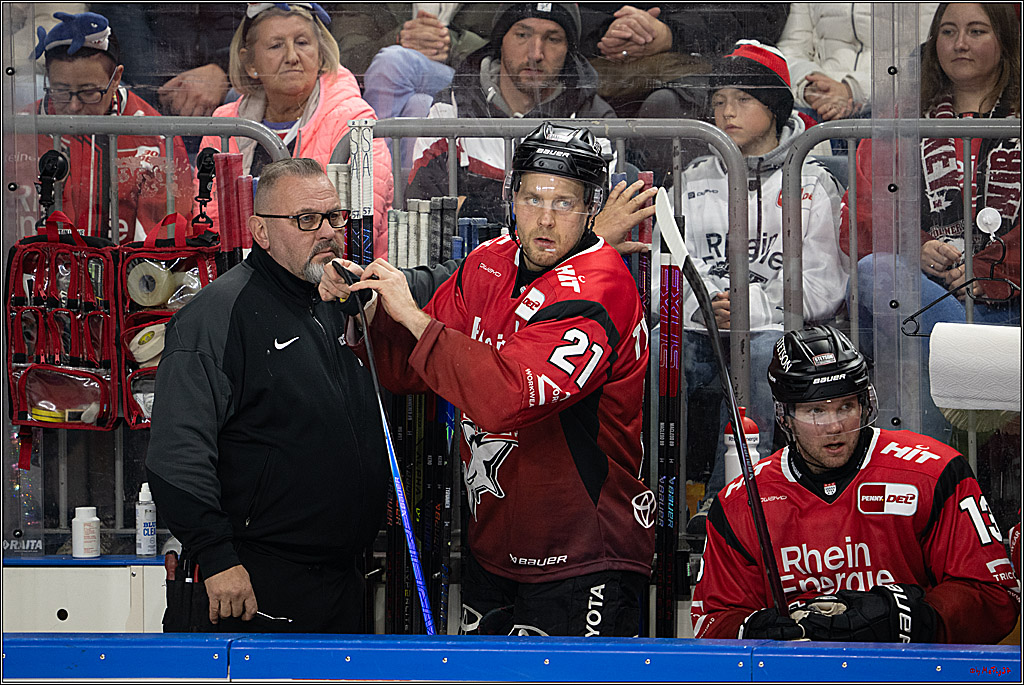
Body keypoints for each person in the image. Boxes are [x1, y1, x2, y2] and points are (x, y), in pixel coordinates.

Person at [321, 123, 655, 637]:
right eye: (533, 197)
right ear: (511, 197)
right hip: (494, 545)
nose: (545, 218)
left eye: (564, 203)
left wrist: (414, 318)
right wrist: (368, 312)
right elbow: (419, 363)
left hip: (584, 553)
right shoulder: (489, 262)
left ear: (591, 209)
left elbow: (507, 398)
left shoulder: (600, 287)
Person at [146, 158, 390, 633]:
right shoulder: (217, 316)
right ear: (260, 231)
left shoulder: (330, 301)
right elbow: (176, 457)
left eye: (333, 217)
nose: (326, 232)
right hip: (253, 582)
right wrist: (217, 558)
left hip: (337, 581)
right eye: (305, 220)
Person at [691, 325, 1020, 643]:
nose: (834, 426)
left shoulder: (934, 473)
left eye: (845, 407)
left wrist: (903, 616)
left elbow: (994, 598)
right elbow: (713, 621)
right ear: (784, 416)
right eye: (815, 410)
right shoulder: (742, 502)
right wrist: (758, 630)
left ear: (864, 404)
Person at [674, 41, 847, 536]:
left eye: (743, 99)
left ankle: (735, 499)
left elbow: (825, 287)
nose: (726, 111)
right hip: (702, 327)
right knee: (654, 358)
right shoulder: (690, 180)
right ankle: (652, 503)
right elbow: (673, 269)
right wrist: (707, 305)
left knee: (763, 353)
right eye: (720, 99)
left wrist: (751, 306)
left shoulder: (812, 182)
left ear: (774, 107)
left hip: (778, 333)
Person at [839, 2, 1021, 443]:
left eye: (977, 31)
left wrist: (992, 269)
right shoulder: (904, 114)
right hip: (927, 295)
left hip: (1012, 304)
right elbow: (865, 209)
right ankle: (946, 458)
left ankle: (925, 480)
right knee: (878, 273)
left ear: (1006, 38)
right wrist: (913, 248)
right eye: (947, 31)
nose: (959, 44)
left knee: (921, 351)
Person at [198, 2, 394, 259]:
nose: (292, 56)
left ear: (320, 54)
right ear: (250, 63)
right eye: (276, 45)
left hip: (330, 280)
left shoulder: (354, 119)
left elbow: (357, 229)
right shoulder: (224, 124)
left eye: (302, 43)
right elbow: (209, 219)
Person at [406, 2, 615, 224]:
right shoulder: (451, 108)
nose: (535, 53)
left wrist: (470, 207)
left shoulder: (593, 120)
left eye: (553, 39)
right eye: (522, 35)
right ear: (501, 41)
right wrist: (550, 209)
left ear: (568, 50)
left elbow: (598, 221)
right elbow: (424, 212)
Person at [22, 10, 195, 243]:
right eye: (60, 91)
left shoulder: (156, 138)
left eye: (89, 92)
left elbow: (165, 241)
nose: (73, 106)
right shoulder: (19, 130)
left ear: (115, 79)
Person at [776, 3, 939, 123]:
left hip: (892, 107)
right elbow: (791, 50)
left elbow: (926, 59)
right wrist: (809, 86)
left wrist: (852, 89)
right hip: (818, 102)